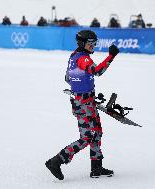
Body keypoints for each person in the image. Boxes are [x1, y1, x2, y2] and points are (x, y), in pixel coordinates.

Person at [45, 30, 120, 180]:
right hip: (83, 104)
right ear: (82, 43)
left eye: (95, 43)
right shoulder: (83, 59)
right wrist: (111, 56)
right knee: (87, 137)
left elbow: (68, 78)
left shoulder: (73, 56)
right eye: (90, 43)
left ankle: (96, 167)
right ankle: (56, 161)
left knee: (96, 132)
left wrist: (85, 90)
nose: (93, 46)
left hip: (85, 101)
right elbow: (97, 71)